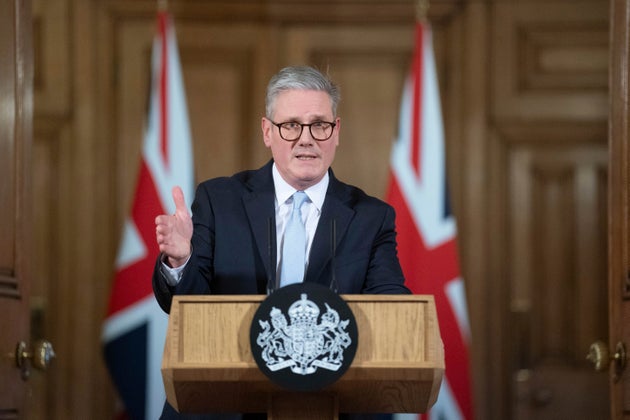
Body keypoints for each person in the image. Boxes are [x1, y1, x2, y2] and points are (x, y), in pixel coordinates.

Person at [153, 65, 410, 419]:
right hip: (224, 402)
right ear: (267, 132)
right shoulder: (219, 200)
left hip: (335, 402)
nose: (306, 138)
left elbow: (393, 311)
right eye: (290, 125)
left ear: (336, 132)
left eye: (319, 124)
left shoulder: (371, 217)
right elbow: (187, 307)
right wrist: (181, 261)